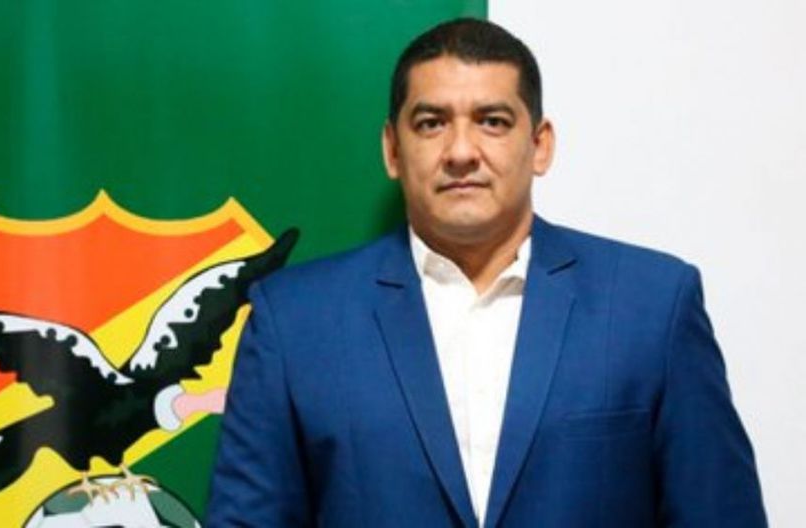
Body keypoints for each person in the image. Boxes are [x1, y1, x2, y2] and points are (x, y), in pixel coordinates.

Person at [207, 18, 766, 527]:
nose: (461, 151)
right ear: (393, 150)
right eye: (431, 123)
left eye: (492, 121)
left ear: (540, 145)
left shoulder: (653, 306)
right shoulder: (294, 321)